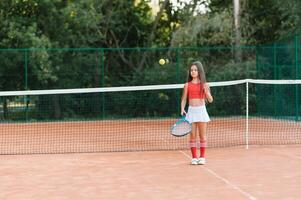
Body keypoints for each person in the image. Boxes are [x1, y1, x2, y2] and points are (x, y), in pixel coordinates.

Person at [181, 61, 213, 165]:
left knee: (202, 136)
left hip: (201, 111)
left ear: (199, 71)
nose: (193, 72)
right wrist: (182, 109)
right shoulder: (187, 85)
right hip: (191, 112)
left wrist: (207, 92)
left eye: (195, 70)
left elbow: (211, 99)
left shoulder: (205, 84)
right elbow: (184, 99)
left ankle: (202, 157)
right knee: (192, 136)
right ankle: (194, 157)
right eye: (192, 70)